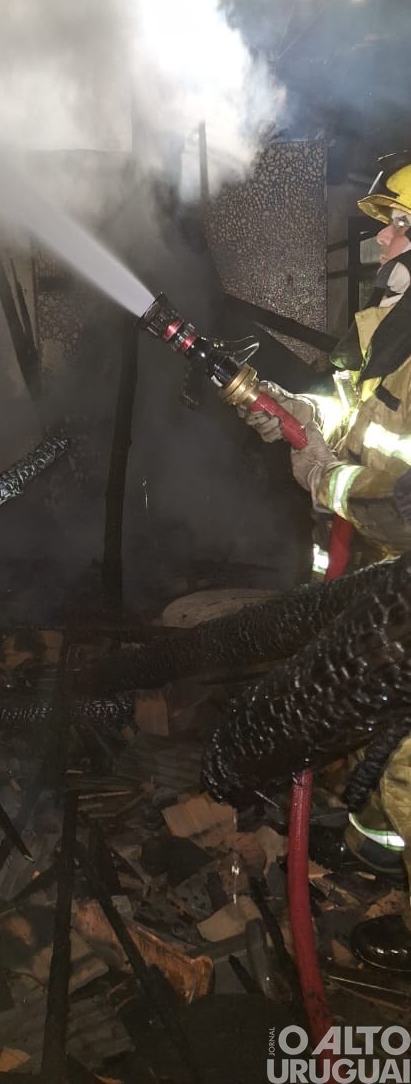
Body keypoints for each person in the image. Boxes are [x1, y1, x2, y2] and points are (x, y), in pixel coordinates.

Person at [243, 151, 411, 972]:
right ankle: (382, 857)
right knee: (378, 736)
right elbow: (349, 409)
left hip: (398, 579)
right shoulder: (385, 327)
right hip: (377, 591)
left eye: (400, 225)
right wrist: (292, 413)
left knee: (408, 761)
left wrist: (330, 483)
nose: (382, 241)